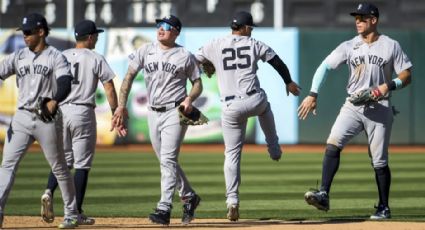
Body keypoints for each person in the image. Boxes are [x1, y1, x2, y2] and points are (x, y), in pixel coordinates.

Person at [298, 3, 412, 220]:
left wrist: (387, 86)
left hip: (380, 107)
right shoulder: (349, 46)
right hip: (353, 104)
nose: (357, 21)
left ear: (374, 20)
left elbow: (407, 75)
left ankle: (384, 207)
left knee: (379, 160)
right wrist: (313, 93)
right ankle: (323, 194)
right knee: (333, 143)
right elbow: (324, 66)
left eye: (362, 17)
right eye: (356, 18)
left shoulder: (390, 45)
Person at [195, 11, 301, 221]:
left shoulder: (215, 43)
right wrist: (288, 81)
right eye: (250, 28)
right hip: (253, 100)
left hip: (230, 106)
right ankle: (273, 147)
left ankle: (232, 200)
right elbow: (277, 62)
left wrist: (204, 64)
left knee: (232, 154)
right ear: (243, 28)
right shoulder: (254, 44)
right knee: (265, 107)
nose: (250, 31)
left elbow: (192, 60)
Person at [111, 15, 202, 225]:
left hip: (175, 111)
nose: (161, 29)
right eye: (159, 25)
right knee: (165, 160)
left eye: (167, 26)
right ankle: (189, 195)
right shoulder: (146, 50)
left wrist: (190, 97)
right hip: (153, 111)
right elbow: (128, 77)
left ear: (176, 32)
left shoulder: (184, 55)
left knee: (168, 160)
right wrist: (121, 106)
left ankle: (164, 207)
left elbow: (197, 83)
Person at [0, 13, 79, 229]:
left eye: (28, 32)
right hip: (22, 117)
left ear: (41, 32)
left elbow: (65, 82)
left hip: (48, 118)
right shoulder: (18, 56)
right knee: (7, 165)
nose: (24, 36)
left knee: (60, 167)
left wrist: (55, 100)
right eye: (23, 32)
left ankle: (72, 214)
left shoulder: (56, 56)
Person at [40, 19, 118, 226]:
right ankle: (74, 213)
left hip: (60, 111)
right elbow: (109, 86)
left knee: (64, 160)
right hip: (82, 111)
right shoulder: (94, 57)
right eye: (96, 35)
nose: (97, 38)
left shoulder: (61, 56)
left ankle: (49, 190)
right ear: (90, 37)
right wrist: (115, 111)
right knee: (82, 164)